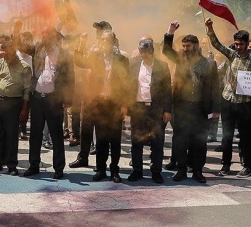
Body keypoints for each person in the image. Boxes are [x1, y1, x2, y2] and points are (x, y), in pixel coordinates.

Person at [205, 18, 251, 177]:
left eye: (241, 44)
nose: (238, 47)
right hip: (228, 100)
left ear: (247, 44)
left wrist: (247, 88)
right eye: (236, 44)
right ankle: (225, 165)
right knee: (226, 135)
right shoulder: (232, 55)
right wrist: (210, 29)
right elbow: (217, 44)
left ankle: (247, 166)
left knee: (246, 136)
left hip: (244, 104)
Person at [74, 30, 129, 183]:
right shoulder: (95, 57)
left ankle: (114, 170)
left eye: (107, 40)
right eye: (102, 40)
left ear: (113, 42)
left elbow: (127, 84)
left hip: (114, 105)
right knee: (101, 139)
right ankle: (101, 169)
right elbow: (79, 61)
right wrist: (81, 43)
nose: (104, 43)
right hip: (99, 104)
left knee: (115, 140)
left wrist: (125, 105)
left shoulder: (122, 60)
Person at [162, 26, 213, 183]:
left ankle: (197, 171)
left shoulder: (208, 63)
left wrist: (215, 109)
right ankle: (181, 170)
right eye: (183, 46)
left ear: (196, 46)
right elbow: (166, 51)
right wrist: (170, 32)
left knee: (199, 141)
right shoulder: (180, 58)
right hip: (182, 107)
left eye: (188, 46)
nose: (185, 49)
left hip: (199, 108)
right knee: (180, 140)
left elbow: (214, 87)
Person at [23, 26, 75, 180]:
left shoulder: (64, 54)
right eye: (42, 33)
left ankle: (58, 168)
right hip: (37, 97)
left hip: (54, 98)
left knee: (56, 134)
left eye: (46, 34)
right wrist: (17, 29)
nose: (43, 36)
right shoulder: (38, 49)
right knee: (35, 134)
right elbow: (21, 46)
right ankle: (34, 165)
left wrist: (68, 98)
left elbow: (69, 78)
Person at [126, 37, 172, 183]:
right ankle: (137, 170)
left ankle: (156, 171)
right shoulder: (133, 65)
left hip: (155, 109)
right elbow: (127, 87)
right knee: (136, 141)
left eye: (146, 51)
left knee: (157, 142)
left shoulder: (162, 66)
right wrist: (126, 106)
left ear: (152, 51)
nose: (143, 54)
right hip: (138, 108)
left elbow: (167, 91)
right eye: (141, 51)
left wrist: (167, 110)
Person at [0, 39, 32, 175]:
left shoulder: (24, 67)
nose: (8, 56)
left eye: (9, 53)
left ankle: (11, 165)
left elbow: (27, 90)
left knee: (11, 136)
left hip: (13, 104)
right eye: (5, 53)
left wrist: (24, 109)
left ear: (14, 51)